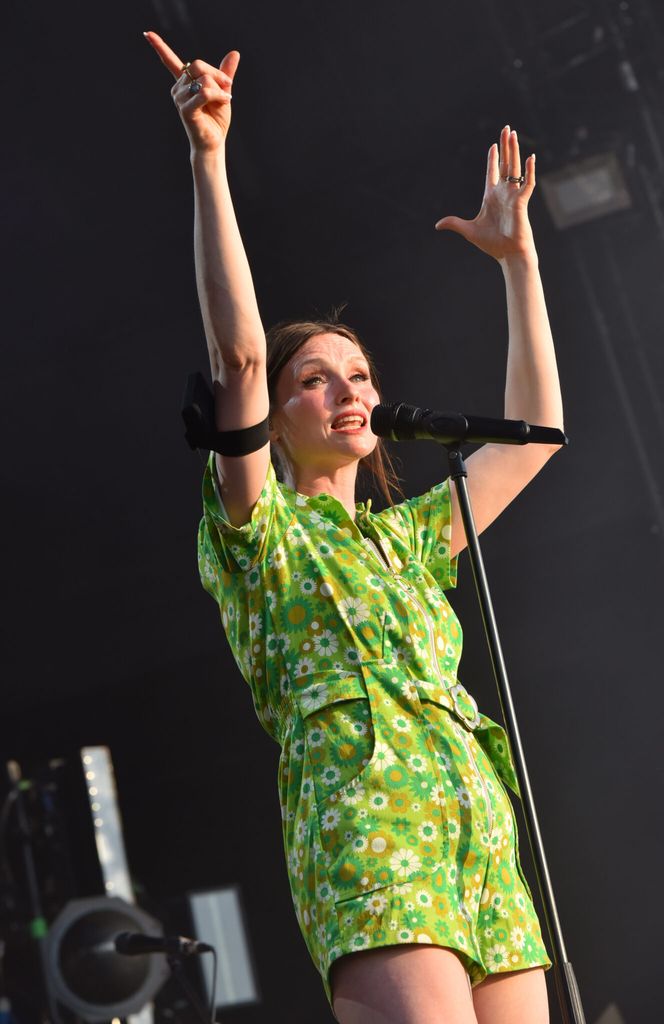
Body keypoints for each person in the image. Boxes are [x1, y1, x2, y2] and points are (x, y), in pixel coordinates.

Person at [145, 29, 563, 1024]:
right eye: (315, 378)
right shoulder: (260, 531)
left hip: (473, 818)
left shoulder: (409, 539)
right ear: (279, 415)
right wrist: (209, 159)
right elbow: (239, 358)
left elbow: (537, 437)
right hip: (368, 825)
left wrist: (519, 261)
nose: (345, 390)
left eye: (360, 374)